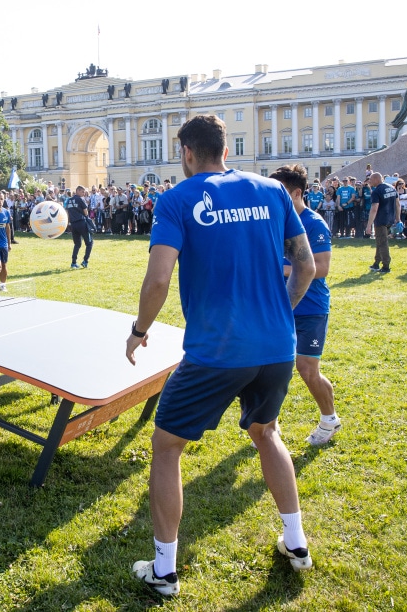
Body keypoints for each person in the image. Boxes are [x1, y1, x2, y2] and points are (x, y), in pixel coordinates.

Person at [126, 115, 315, 597]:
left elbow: (158, 280)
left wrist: (139, 330)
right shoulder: (273, 192)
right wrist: (279, 313)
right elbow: (307, 265)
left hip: (216, 351)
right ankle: (296, 543)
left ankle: (164, 569)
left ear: (188, 152)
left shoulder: (175, 199)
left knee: (167, 447)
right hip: (276, 345)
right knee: (266, 432)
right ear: (226, 150)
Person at [270, 165, 341, 446]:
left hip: (311, 308)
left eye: (280, 194)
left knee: (307, 369)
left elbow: (320, 268)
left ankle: (329, 420)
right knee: (272, 367)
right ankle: (269, 426)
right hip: (281, 305)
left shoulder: (313, 223)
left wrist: (278, 267)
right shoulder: (275, 221)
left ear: (297, 193)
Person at [364, 173, 400, 274]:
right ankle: (376, 263)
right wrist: (398, 219)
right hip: (390, 219)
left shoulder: (376, 191)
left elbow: (374, 208)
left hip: (380, 220)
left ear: (376, 179)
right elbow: (398, 204)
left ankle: (386, 266)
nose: (369, 182)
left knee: (383, 242)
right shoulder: (392, 188)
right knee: (380, 241)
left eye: (371, 180)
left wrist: (368, 225)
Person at [65, 185, 93, 269]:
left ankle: (73, 262)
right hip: (82, 223)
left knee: (77, 244)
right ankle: (85, 261)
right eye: (82, 191)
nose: (84, 193)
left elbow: (67, 212)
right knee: (89, 243)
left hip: (73, 224)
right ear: (77, 191)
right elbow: (86, 212)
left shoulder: (69, 200)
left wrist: (69, 223)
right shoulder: (80, 199)